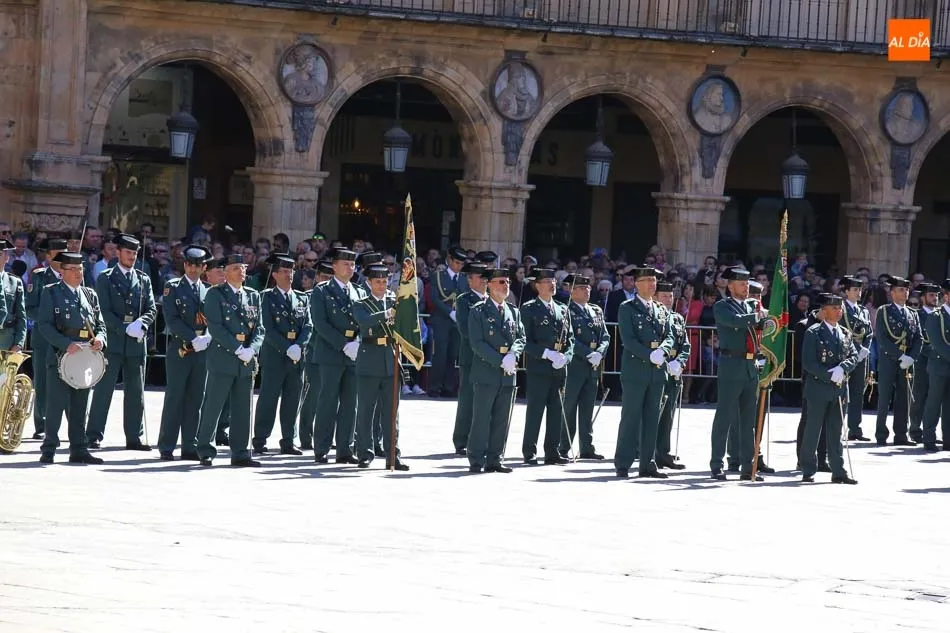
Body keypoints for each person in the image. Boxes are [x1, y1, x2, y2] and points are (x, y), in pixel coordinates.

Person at [86, 234, 157, 450]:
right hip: (114, 340)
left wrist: (142, 324)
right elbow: (103, 312)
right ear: (118, 253)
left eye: (135, 253)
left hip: (136, 343)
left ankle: (134, 436)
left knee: (136, 391)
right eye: (128, 252)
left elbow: (152, 309)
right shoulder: (106, 278)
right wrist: (125, 327)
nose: (132, 257)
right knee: (104, 389)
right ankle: (94, 434)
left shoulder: (143, 279)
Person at [36, 252, 107, 465]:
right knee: (55, 405)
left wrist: (101, 340)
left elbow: (100, 325)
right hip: (62, 355)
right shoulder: (51, 293)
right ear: (62, 271)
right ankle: (49, 447)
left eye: (81, 269)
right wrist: (65, 344)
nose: (78, 273)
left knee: (80, 406)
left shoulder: (89, 294)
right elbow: (44, 325)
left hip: (85, 357)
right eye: (73, 269)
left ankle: (79, 448)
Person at [194, 254, 264, 467]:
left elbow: (260, 328)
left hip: (245, 361)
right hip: (224, 358)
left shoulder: (253, 296)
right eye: (235, 268)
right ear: (225, 272)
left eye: (243, 267)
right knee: (213, 406)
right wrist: (237, 348)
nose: (241, 271)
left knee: (243, 408)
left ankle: (241, 452)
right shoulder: (216, 294)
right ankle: (205, 448)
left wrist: (251, 349)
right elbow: (216, 327)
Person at [614, 266, 675, 479]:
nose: (652, 284)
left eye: (654, 280)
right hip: (636, 370)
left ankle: (648, 463)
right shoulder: (627, 308)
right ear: (637, 284)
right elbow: (628, 339)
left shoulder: (660, 308)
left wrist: (663, 350)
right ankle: (623, 462)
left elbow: (669, 335)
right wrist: (648, 354)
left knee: (652, 418)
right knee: (631, 417)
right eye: (647, 280)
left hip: (657, 372)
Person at [709, 267, 767, 481]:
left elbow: (764, 322)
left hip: (751, 366)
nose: (746, 287)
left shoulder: (753, 305)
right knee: (724, 416)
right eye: (742, 284)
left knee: (748, 420)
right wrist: (757, 316)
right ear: (730, 286)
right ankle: (717, 463)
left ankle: (747, 466)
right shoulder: (722, 306)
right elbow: (734, 321)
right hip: (731, 364)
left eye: (747, 284)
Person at [466, 268, 526, 473]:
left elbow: (521, 337)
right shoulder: (478, 311)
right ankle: (476, 458)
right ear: (489, 285)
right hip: (487, 371)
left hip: (508, 372)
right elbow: (477, 343)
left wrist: (513, 355)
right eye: (501, 282)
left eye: (507, 282)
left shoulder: (513, 311)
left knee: (502, 419)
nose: (505, 285)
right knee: (482, 418)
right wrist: (500, 360)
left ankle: (495, 458)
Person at [156, 245, 213, 460]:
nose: (193, 269)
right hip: (181, 348)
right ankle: (167, 445)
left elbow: (213, 318)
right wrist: (193, 338)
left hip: (202, 350)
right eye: (190, 264)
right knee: (175, 397)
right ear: (185, 265)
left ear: (204, 267)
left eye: (198, 265)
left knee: (195, 399)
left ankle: (190, 445)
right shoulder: (173, 287)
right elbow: (172, 319)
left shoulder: (208, 290)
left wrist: (207, 336)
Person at [252, 254, 312, 456]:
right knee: (269, 398)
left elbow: (308, 326)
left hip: (296, 357)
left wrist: (299, 345)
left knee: (292, 400)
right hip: (275, 355)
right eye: (285, 271)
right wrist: (286, 347)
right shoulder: (266, 297)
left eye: (291, 271)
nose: (289, 275)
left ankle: (288, 440)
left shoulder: (301, 297)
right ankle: (260, 438)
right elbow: (267, 327)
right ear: (275, 274)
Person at [310, 248, 365, 464]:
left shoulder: (359, 292)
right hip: (331, 353)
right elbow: (320, 323)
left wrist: (358, 342)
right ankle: (321, 448)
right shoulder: (321, 291)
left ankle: (345, 448)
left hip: (354, 353)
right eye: (345, 264)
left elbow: (364, 319)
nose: (350, 268)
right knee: (328, 401)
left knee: (350, 403)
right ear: (334, 267)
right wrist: (343, 344)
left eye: (352, 265)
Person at [352, 264, 409, 470]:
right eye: (377, 282)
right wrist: (387, 313)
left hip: (391, 359)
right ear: (369, 283)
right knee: (366, 411)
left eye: (385, 282)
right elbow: (364, 322)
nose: (382, 286)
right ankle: (365, 452)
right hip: (369, 359)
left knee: (392, 413)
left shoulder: (395, 302)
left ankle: (392, 454)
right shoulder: (362, 304)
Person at [799, 294, 859, 484]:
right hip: (819, 387)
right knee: (813, 430)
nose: (839, 311)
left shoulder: (845, 332)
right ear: (824, 311)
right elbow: (808, 362)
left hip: (839, 389)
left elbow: (853, 355)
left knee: (836, 431)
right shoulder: (813, 332)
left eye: (840, 308)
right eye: (834, 308)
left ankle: (838, 470)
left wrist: (843, 368)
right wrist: (828, 374)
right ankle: (808, 468)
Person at [520, 268, 574, 465]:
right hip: (539, 368)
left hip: (559, 369)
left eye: (553, 281)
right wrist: (545, 353)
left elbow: (571, 340)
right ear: (537, 286)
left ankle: (552, 451)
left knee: (556, 411)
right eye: (546, 282)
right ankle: (529, 451)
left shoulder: (563, 308)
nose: (552, 285)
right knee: (535, 410)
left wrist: (566, 356)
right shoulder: (529, 309)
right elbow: (524, 340)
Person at [559, 274, 610, 460]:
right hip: (576, 365)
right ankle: (563, 446)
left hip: (593, 367)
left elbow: (605, 336)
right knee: (569, 407)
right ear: (572, 291)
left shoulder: (596, 310)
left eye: (588, 288)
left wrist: (600, 353)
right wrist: (588, 353)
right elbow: (568, 338)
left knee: (588, 408)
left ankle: (587, 447)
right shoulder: (566, 311)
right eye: (581, 288)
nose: (586, 291)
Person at [726, 280, 775, 474]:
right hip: (743, 365)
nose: (757, 300)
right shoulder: (742, 313)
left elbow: (770, 341)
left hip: (761, 369)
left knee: (758, 417)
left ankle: (756, 454)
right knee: (738, 416)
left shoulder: (766, 315)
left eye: (760, 296)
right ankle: (735, 456)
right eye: (754, 296)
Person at [24, 237, 68, 439]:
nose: (63, 258)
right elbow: (30, 308)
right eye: (58, 254)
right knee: (42, 382)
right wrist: (48, 321)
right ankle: (41, 424)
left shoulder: (74, 275)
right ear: (49, 256)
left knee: (71, 379)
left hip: (69, 338)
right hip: (44, 339)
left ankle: (75, 424)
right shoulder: (39, 276)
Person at [874, 275, 922, 446]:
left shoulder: (912, 313)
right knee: (884, 398)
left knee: (904, 399)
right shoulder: (884, 311)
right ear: (892, 293)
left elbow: (919, 338)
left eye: (907, 289)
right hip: (890, 359)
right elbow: (882, 337)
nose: (906, 292)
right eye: (901, 290)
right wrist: (900, 356)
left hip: (907, 360)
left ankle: (901, 434)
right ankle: (881, 434)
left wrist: (911, 357)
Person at [452, 261, 489, 455]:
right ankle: (461, 440)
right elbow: (466, 329)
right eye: (480, 277)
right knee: (468, 399)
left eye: (486, 277)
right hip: (471, 355)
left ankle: (484, 438)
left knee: (488, 400)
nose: (484, 281)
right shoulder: (464, 300)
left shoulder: (493, 300)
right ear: (469, 279)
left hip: (491, 358)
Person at [654, 278, 689, 470]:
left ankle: (664, 452)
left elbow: (685, 344)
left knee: (668, 415)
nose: (668, 299)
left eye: (670, 296)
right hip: (659, 369)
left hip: (674, 372)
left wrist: (680, 361)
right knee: (654, 414)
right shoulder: (653, 317)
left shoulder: (677, 318)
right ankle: (649, 451)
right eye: (664, 296)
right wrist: (666, 363)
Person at [427, 245, 468, 397]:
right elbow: (435, 298)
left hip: (457, 322)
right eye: (456, 262)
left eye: (461, 264)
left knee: (453, 355)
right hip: (442, 320)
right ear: (449, 260)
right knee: (440, 354)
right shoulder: (438, 275)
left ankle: (449, 387)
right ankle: (434, 387)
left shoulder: (464, 279)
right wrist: (450, 312)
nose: (459, 266)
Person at [203, 258, 232, 447]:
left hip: (227, 348)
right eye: (218, 272)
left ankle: (221, 430)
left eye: (224, 271)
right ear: (208, 274)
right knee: (209, 393)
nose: (223, 275)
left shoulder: (230, 294)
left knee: (227, 394)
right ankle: (205, 432)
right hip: (206, 346)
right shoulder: (207, 293)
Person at [840, 275, 872, 441]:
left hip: (861, 356)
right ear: (846, 292)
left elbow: (869, 332)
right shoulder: (841, 308)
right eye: (855, 289)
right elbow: (843, 331)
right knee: (842, 392)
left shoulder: (864, 310)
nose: (858, 292)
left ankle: (855, 429)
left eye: (860, 289)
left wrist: (865, 348)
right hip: (847, 354)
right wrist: (857, 349)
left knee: (858, 392)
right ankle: (838, 427)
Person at [909, 281, 940, 442]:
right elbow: (920, 340)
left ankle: (931, 432)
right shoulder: (918, 315)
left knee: (934, 398)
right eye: (931, 295)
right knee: (919, 396)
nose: (935, 298)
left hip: (938, 362)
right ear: (922, 298)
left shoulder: (941, 315)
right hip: (922, 361)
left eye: (936, 295)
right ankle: (915, 430)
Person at [921, 279, 950, 451]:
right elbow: (938, 344)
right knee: (934, 403)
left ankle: (948, 440)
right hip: (939, 366)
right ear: (946, 296)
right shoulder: (935, 317)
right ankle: (929, 438)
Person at [0, 240, 26, 352]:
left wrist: (19, 343)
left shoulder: (14, 282)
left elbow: (21, 316)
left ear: (7, 258)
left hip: (7, 341)